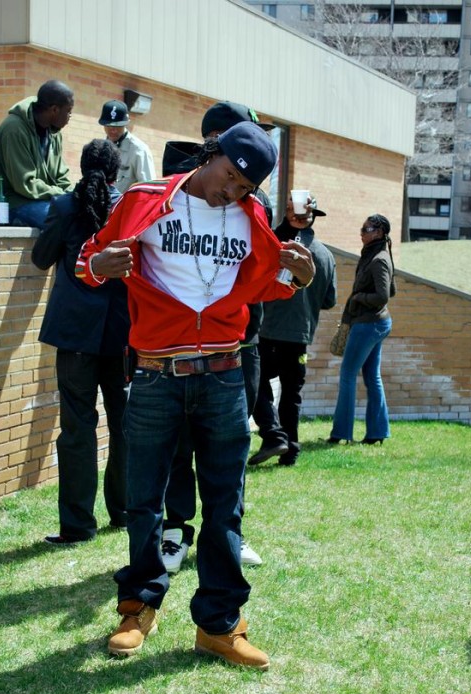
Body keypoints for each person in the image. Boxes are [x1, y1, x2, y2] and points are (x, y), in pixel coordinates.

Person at [75, 121, 316, 669]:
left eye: (244, 187)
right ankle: (137, 607)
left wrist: (297, 279)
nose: (231, 191)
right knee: (144, 500)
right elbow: (86, 261)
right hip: (155, 374)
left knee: (226, 503)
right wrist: (99, 266)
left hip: (225, 375)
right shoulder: (144, 200)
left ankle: (219, 624)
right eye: (229, 176)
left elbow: (260, 282)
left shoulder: (251, 217)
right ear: (212, 154)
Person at [161, 101, 276, 573]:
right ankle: (174, 530)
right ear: (214, 142)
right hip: (174, 349)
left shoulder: (253, 199)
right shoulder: (172, 187)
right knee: (177, 444)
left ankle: (229, 531)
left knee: (230, 447)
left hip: (238, 344)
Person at [31, 139, 130, 544]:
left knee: (77, 429)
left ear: (83, 166)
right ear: (116, 172)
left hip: (74, 334)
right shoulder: (129, 208)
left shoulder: (64, 206)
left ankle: (77, 526)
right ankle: (124, 512)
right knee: (125, 426)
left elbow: (41, 258)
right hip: (122, 334)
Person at [249, 194, 337, 466]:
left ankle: (274, 435)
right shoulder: (326, 255)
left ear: (289, 213)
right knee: (291, 393)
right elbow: (329, 301)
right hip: (301, 336)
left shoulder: (276, 246)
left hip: (269, 330)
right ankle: (290, 451)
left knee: (254, 380)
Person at [326, 214, 395, 445]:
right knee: (372, 376)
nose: (362, 232)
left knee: (347, 374)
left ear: (379, 232)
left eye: (366, 229)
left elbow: (384, 296)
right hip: (375, 322)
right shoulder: (374, 255)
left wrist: (358, 298)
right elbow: (391, 290)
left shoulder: (379, 260)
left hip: (369, 324)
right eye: (362, 228)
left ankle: (341, 433)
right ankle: (377, 433)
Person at [0, 80, 74, 229]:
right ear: (54, 110)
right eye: (69, 111)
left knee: (81, 216)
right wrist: (62, 194)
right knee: (62, 223)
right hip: (11, 204)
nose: (70, 116)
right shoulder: (14, 129)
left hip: (43, 200)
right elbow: (24, 183)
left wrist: (75, 195)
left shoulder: (54, 133)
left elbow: (61, 177)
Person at [99, 99, 155, 193]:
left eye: (117, 125)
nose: (112, 130)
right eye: (108, 125)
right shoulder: (100, 148)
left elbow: (148, 189)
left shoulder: (139, 150)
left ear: (126, 123)